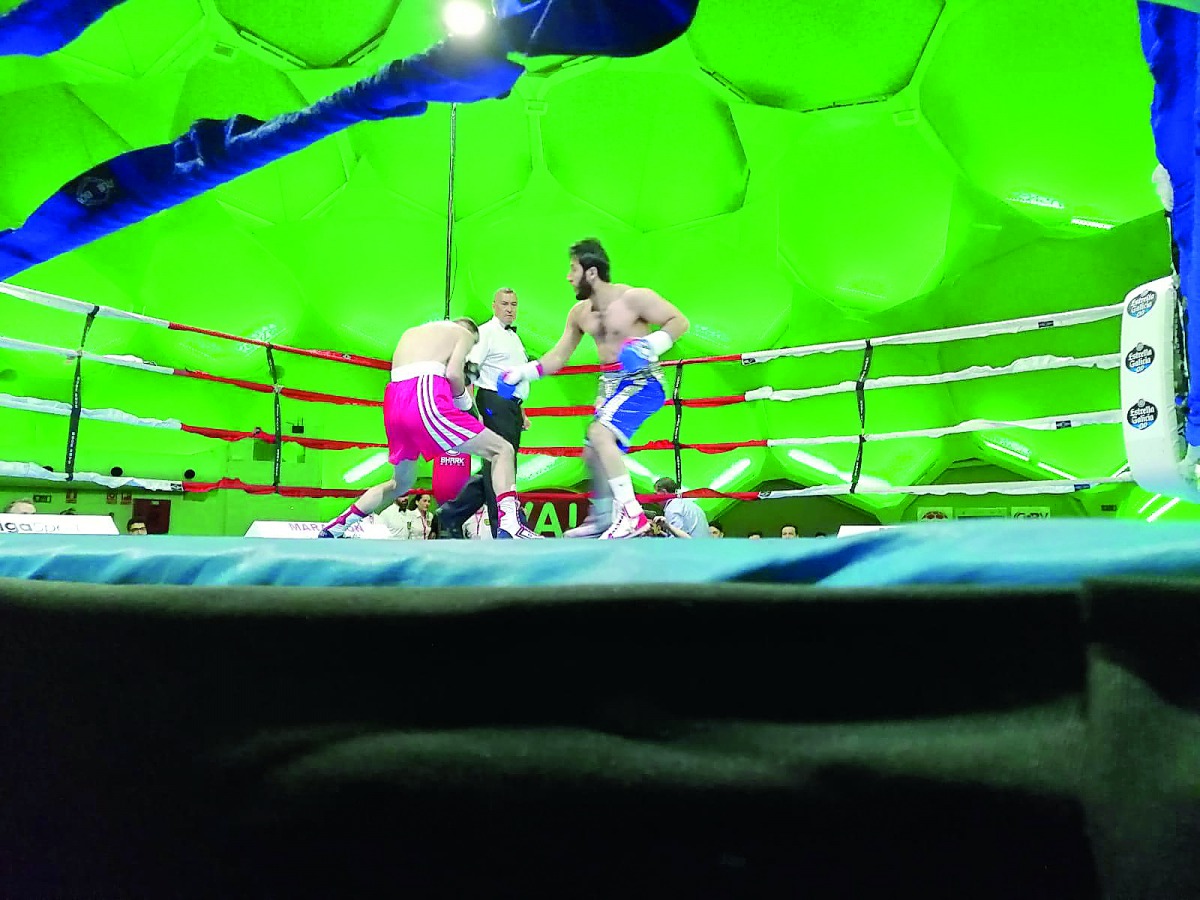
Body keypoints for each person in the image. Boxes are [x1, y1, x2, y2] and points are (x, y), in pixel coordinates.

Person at [498, 238, 689, 539]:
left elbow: (679, 321)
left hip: (642, 380)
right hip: (609, 385)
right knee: (593, 450)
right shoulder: (580, 314)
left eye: (573, 269)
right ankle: (602, 518)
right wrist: (522, 373)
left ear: (591, 272)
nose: (568, 276)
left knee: (601, 434)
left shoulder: (633, 298)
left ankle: (632, 515)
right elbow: (558, 357)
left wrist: (649, 344)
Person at [319, 318, 540, 540]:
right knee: (502, 450)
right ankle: (511, 526)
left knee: (400, 483)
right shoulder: (462, 333)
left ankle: (337, 526)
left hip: (395, 405)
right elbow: (454, 374)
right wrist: (466, 405)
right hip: (425, 397)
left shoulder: (411, 332)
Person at [438, 288, 532, 538]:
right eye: (505, 303)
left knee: (499, 463)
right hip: (493, 402)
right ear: (494, 305)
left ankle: (452, 512)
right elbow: (470, 369)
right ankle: (502, 523)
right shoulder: (487, 332)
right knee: (499, 460)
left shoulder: (514, 337)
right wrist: (469, 408)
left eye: (514, 303)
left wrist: (520, 410)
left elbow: (512, 376)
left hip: (509, 404)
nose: (510, 308)